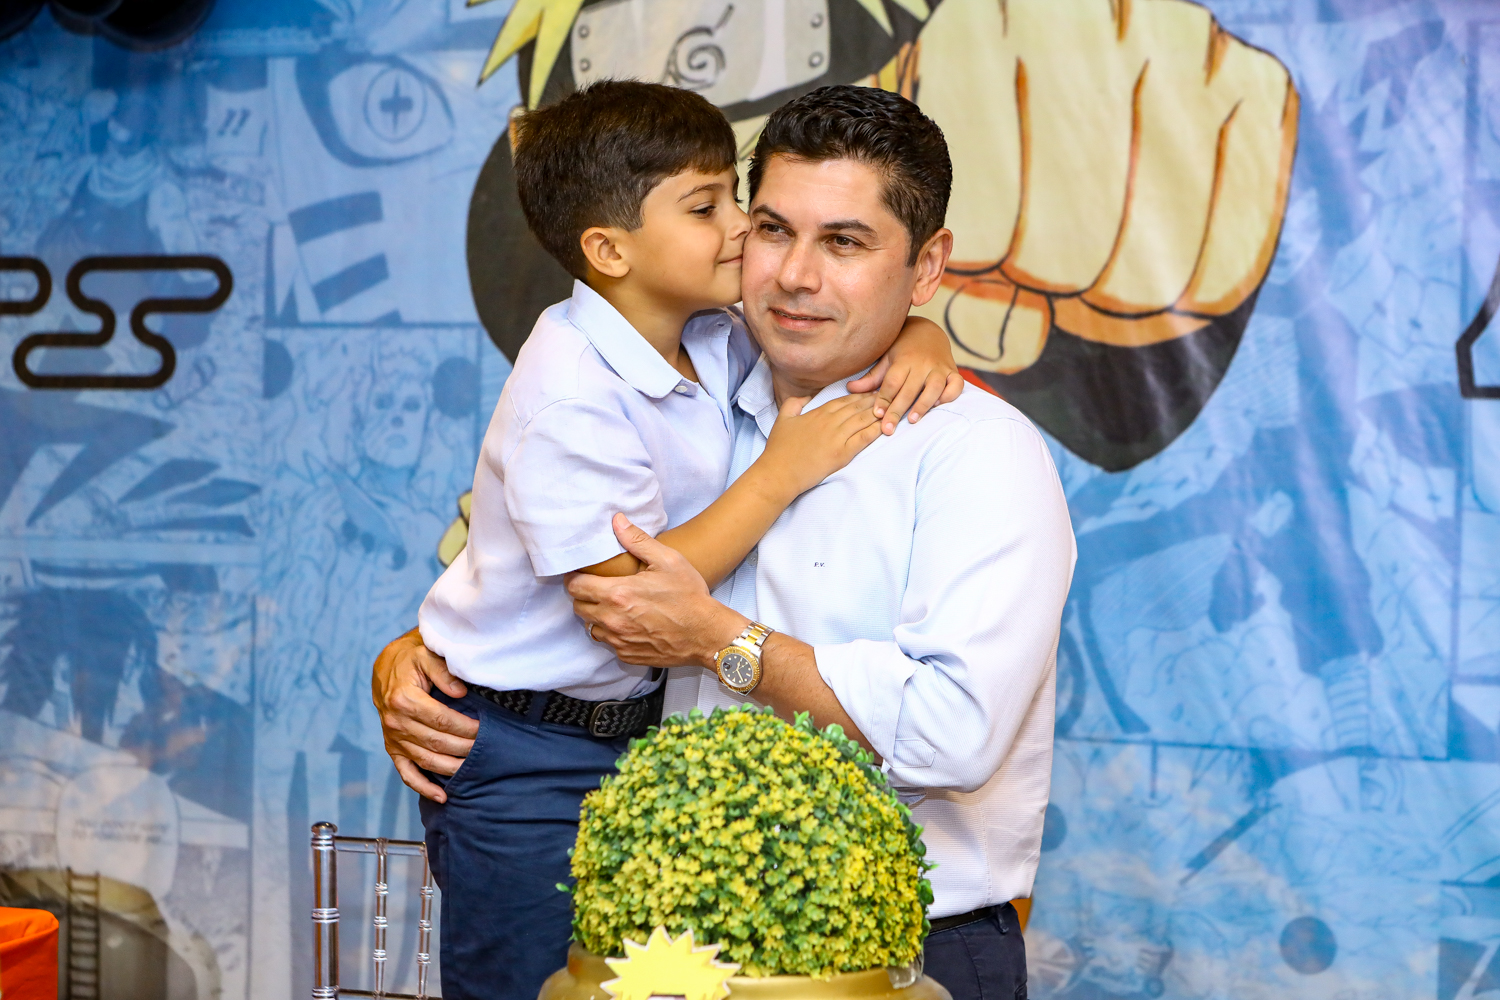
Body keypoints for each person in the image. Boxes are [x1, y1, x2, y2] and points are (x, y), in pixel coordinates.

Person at [379, 84, 1073, 1000]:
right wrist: (424, 653)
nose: (793, 275)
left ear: (927, 265)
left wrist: (719, 641)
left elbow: (953, 734)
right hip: (674, 937)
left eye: (846, 243)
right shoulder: (704, 381)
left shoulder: (977, 453)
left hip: (899, 949)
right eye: (774, 229)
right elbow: (571, 580)